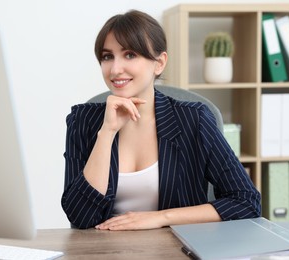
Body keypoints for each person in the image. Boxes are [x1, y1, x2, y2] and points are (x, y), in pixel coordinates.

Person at [61, 9, 261, 230]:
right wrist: (106, 133)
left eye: (130, 54)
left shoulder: (194, 120)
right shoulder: (82, 121)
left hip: (175, 246)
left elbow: (246, 201)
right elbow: (81, 217)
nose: (116, 69)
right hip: (105, 249)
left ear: (159, 62)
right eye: (108, 56)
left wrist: (160, 218)